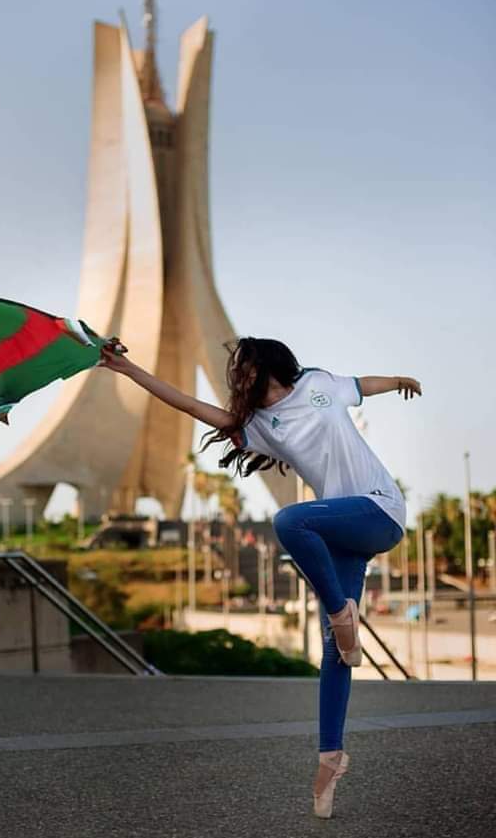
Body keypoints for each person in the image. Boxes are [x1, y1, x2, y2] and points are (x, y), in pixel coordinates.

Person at [99, 337, 421, 818]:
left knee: (291, 520)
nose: (237, 376)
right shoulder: (257, 425)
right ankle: (330, 758)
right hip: (339, 533)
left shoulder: (318, 384)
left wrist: (397, 382)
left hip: (379, 510)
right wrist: (129, 371)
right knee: (336, 651)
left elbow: (360, 386)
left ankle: (340, 612)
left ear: (265, 363)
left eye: (242, 366)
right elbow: (188, 404)